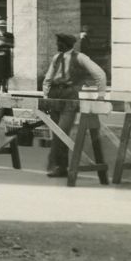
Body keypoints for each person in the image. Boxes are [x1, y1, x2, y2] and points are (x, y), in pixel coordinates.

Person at [40, 30, 107, 176]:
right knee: (55, 132)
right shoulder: (56, 58)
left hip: (70, 96)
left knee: (61, 132)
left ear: (66, 44)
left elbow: (100, 74)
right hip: (55, 95)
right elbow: (48, 78)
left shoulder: (80, 57)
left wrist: (101, 96)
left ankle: (54, 164)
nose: (57, 44)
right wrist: (46, 97)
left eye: (59, 42)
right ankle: (61, 168)